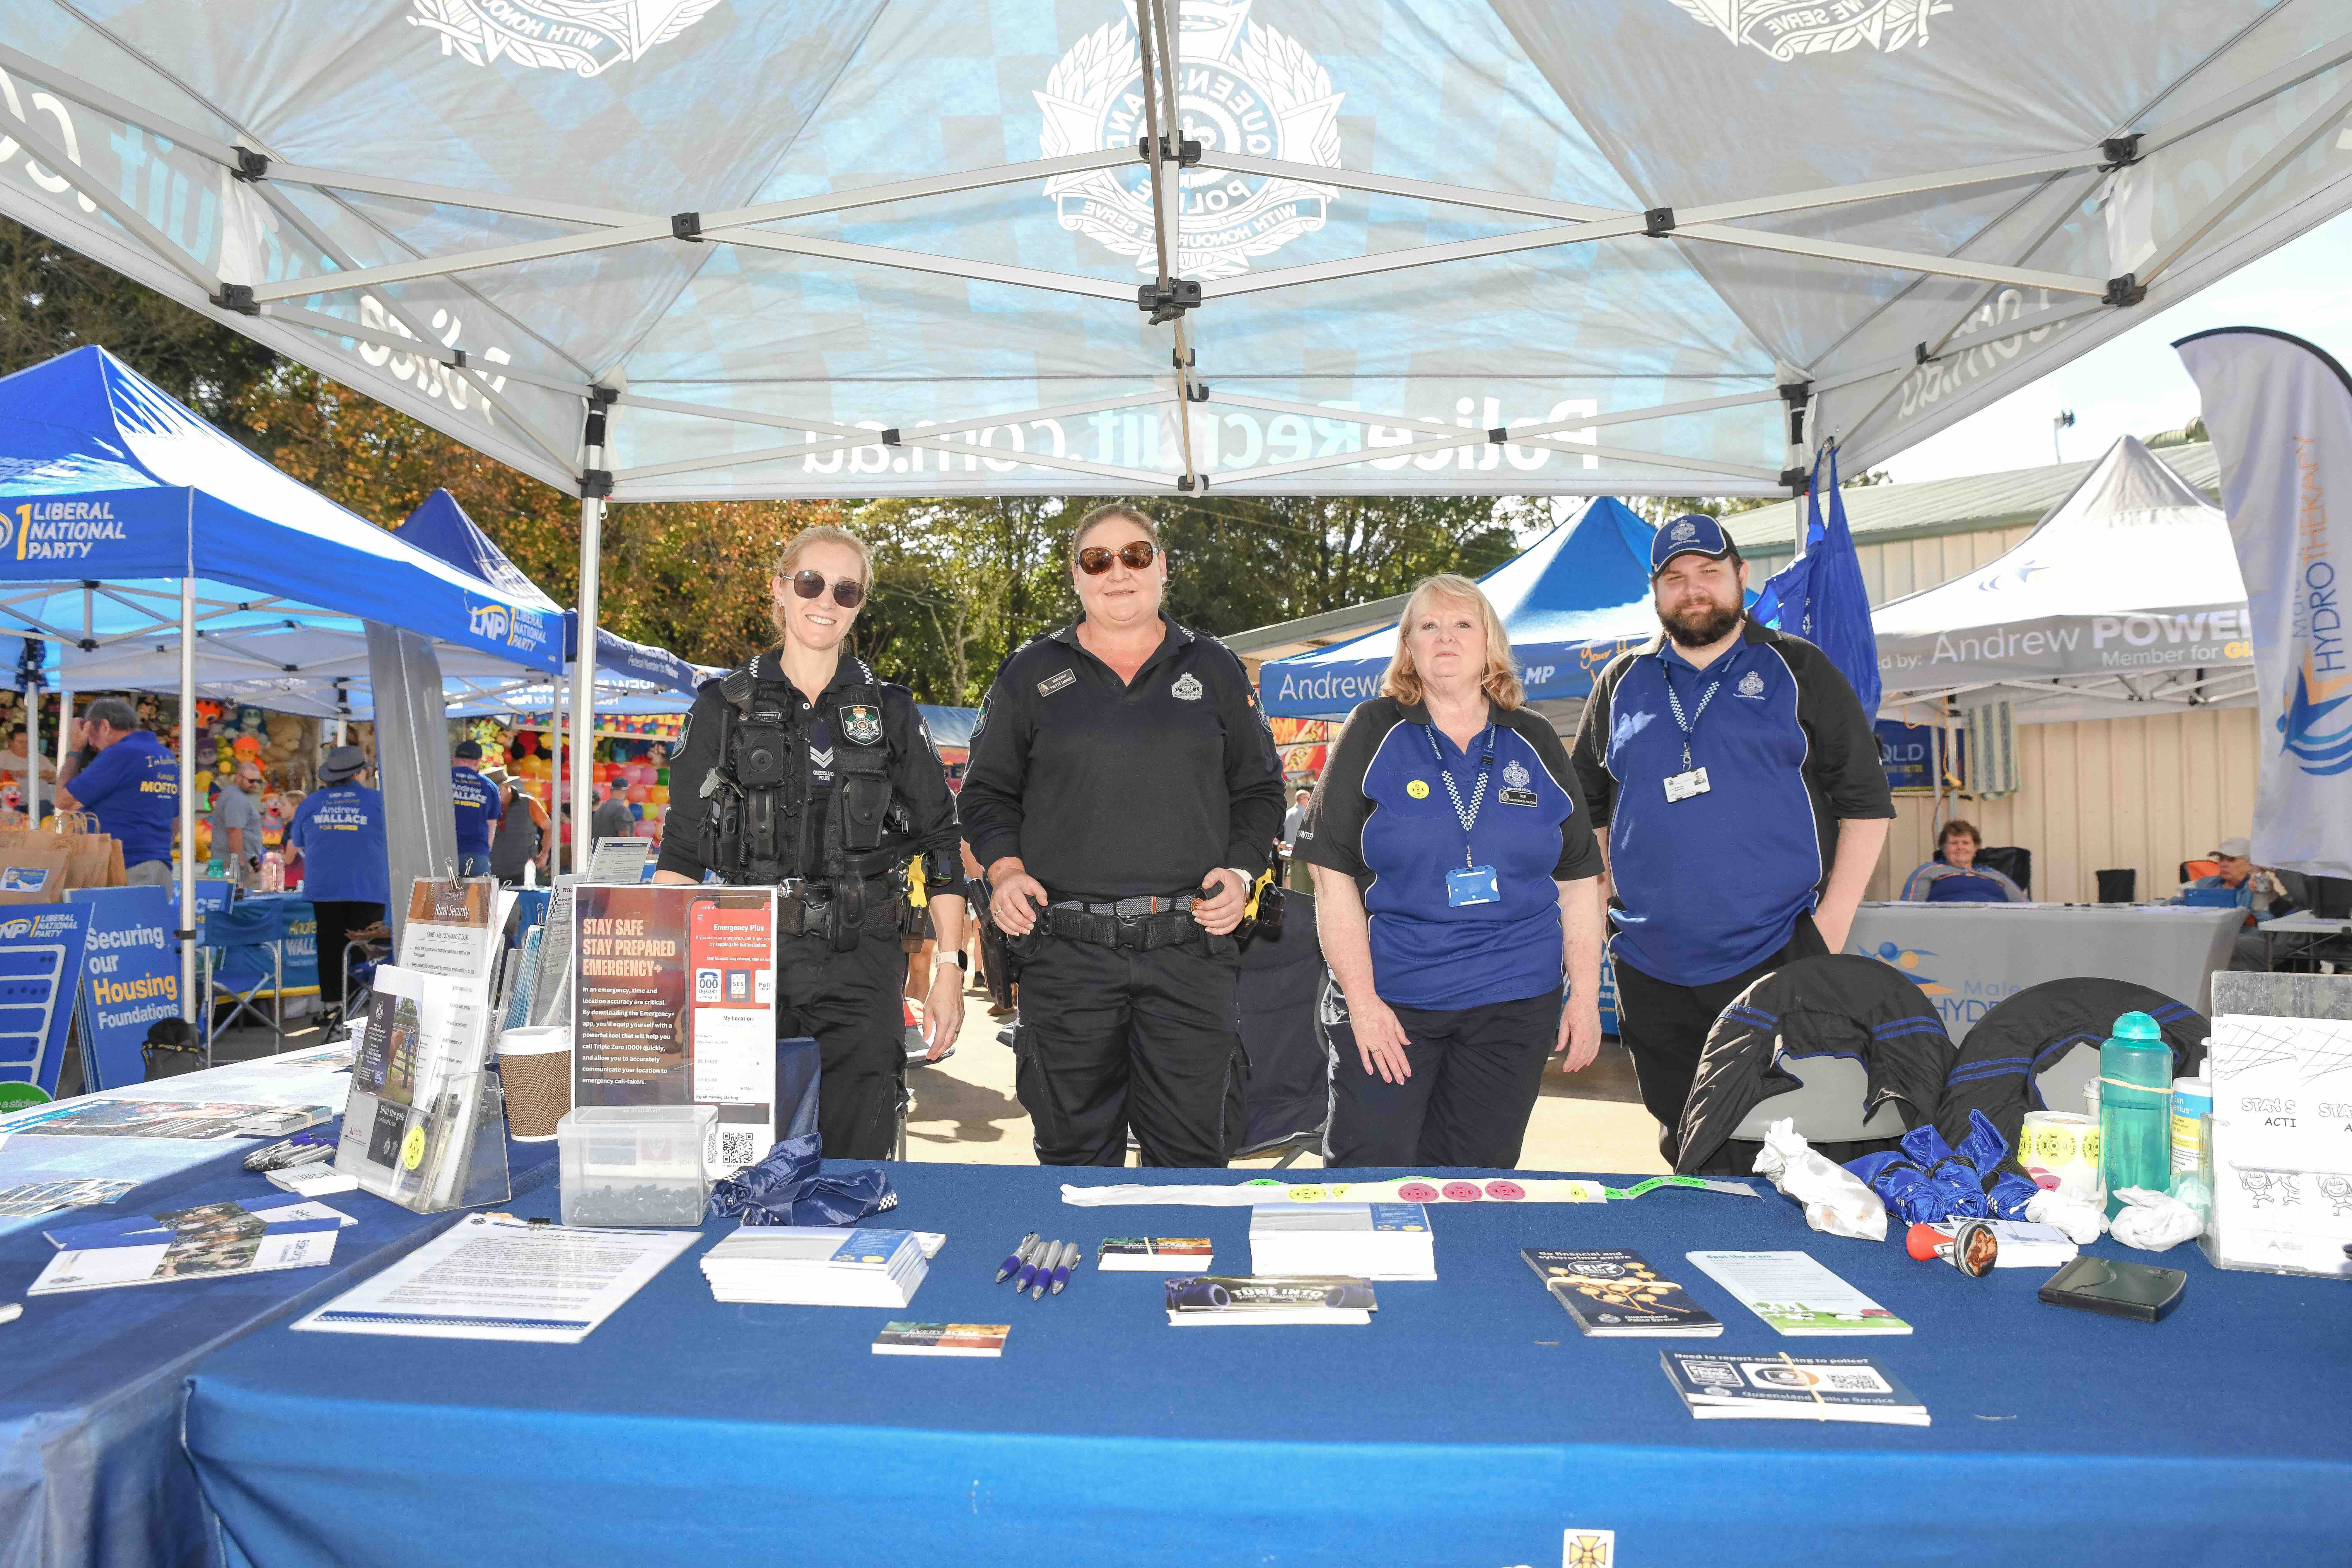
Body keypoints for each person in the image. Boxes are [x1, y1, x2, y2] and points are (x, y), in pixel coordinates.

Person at [960, 503, 1285, 1167]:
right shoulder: (1030, 673)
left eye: (1135, 555)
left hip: (1192, 952)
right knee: (1073, 1160)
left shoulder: (1216, 667)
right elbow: (987, 793)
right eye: (1097, 559)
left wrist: (1242, 870)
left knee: (1192, 1162)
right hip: (1066, 957)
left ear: (1162, 568)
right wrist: (1004, 869)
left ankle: (1183, 1277)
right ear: (1076, 577)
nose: (1118, 572)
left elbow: (1260, 790)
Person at [1571, 515, 1895, 1163]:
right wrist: (1615, 908)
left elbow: (1867, 806)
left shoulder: (1799, 670)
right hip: (1651, 970)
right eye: (1675, 578)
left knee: (1787, 1144)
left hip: (1774, 955)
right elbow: (1589, 813)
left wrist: (1828, 927)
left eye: (1708, 573)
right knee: (1685, 1142)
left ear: (1741, 577)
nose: (1693, 590)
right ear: (1656, 592)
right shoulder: (1619, 683)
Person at [656, 524, 968, 1160]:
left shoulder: (890, 710)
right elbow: (683, 851)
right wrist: (669, 982)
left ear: (859, 604)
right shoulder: (723, 707)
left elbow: (940, 842)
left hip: (861, 962)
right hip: (744, 962)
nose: (825, 600)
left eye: (846, 590)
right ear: (779, 589)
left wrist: (949, 970)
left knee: (853, 1162)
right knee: (741, 1163)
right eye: (810, 582)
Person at [1297, 574, 1607, 1167]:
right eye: (1428, 626)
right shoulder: (1372, 729)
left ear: (1489, 644)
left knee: (1475, 1185)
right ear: (1408, 646)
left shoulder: (1534, 738)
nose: (1446, 638)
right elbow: (1331, 878)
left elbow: (1577, 882)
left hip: (1513, 1007)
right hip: (1394, 1003)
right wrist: (1362, 1005)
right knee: (1371, 1175)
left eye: (1463, 624)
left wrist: (1586, 999)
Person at [284, 745, 389, 1031]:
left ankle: (333, 1007)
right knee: (365, 949)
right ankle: (359, 1010)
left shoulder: (311, 803)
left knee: (329, 947)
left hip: (325, 887)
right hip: (368, 886)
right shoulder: (379, 801)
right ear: (359, 773)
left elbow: (299, 840)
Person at [54, 696, 179, 885]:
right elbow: (176, 817)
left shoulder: (120, 753)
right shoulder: (164, 755)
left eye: (90, 735)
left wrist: (75, 750)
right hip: (158, 867)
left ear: (104, 726)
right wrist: (157, 852)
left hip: (124, 868)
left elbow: (64, 801)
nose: (92, 744)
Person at [2176, 835, 2290, 971]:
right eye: (2221, 859)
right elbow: (2177, 902)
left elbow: (2269, 920)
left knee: (2225, 946)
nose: (2223, 864)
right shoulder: (2204, 884)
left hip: (2245, 940)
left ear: (2250, 865)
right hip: (2208, 937)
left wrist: (2246, 917)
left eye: (2231, 860)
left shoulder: (2258, 886)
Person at [1900, 819, 2025, 902]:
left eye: (1966, 843)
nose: (1960, 847)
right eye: (1954, 843)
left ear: (1975, 848)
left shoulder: (1995, 875)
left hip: (1998, 926)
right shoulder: (1929, 871)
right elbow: (1910, 909)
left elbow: (2026, 908)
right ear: (1943, 848)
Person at [212, 760, 269, 889]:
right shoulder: (236, 799)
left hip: (229, 861)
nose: (255, 785)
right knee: (244, 904)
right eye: (251, 781)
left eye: (258, 781)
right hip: (235, 864)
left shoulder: (231, 794)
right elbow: (234, 831)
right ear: (239, 778)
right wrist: (239, 866)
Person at [488, 772, 552, 886]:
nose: (491, 795)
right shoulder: (487, 805)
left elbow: (548, 827)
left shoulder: (529, 803)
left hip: (524, 873)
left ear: (507, 786)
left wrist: (545, 853)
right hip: (492, 872)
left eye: (495, 791)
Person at [449, 741, 501, 878]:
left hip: (444, 852)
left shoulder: (442, 779)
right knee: (478, 899)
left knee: (440, 898)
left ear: (454, 759)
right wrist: (485, 852)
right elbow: (492, 825)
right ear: (478, 762)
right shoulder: (490, 786)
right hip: (476, 853)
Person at [590, 778, 636, 850]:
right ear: (626, 791)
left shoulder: (600, 810)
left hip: (598, 856)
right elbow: (624, 839)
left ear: (611, 790)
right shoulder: (622, 810)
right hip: (615, 858)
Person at [1281, 786, 1310, 851]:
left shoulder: (1289, 811)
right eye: (1308, 798)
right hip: (1299, 850)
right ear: (1303, 799)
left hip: (1286, 848)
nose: (1309, 801)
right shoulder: (1305, 813)